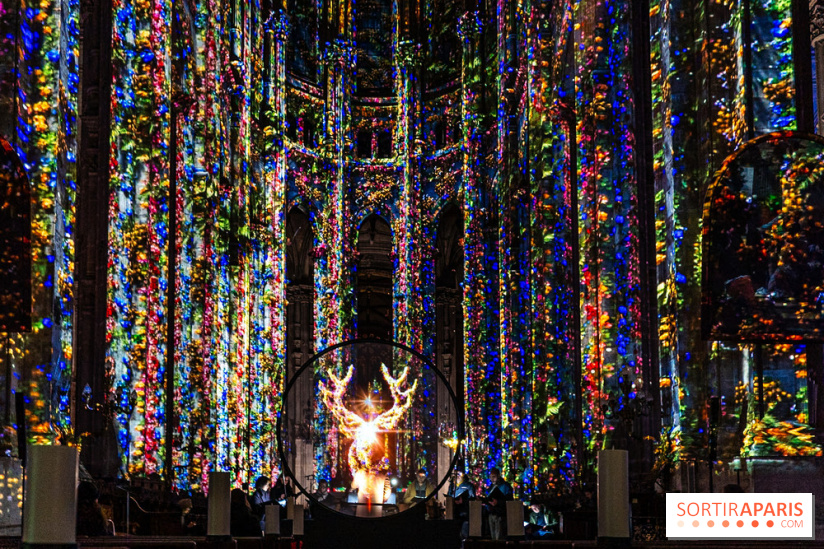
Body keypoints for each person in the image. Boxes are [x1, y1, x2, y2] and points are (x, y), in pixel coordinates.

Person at [483, 467, 513, 540]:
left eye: (493, 477)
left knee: (499, 537)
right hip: (491, 513)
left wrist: (498, 502)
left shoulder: (505, 486)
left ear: (498, 476)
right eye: (490, 477)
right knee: (493, 537)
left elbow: (509, 501)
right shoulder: (491, 487)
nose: (491, 479)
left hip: (500, 514)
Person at [447, 470, 475, 538]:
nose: (457, 476)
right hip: (454, 513)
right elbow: (449, 496)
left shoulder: (468, 485)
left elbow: (473, 499)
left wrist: (464, 501)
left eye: (459, 474)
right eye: (456, 474)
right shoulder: (452, 486)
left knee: (464, 533)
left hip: (465, 513)